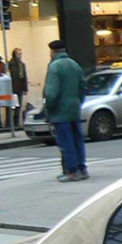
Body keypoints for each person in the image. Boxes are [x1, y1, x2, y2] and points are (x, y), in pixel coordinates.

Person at [42, 38, 88, 181]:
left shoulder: (55, 67)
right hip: (74, 109)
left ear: (53, 52)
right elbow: (83, 87)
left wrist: (48, 109)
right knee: (77, 140)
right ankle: (82, 168)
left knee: (66, 142)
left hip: (60, 112)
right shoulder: (75, 65)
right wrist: (78, 102)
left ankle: (71, 171)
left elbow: (51, 93)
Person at [8, 47, 28, 118]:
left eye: (20, 53)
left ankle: (16, 122)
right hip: (12, 87)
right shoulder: (10, 64)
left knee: (19, 106)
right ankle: (10, 123)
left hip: (20, 87)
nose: (19, 55)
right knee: (12, 106)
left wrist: (25, 88)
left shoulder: (22, 64)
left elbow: (24, 77)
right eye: (18, 53)